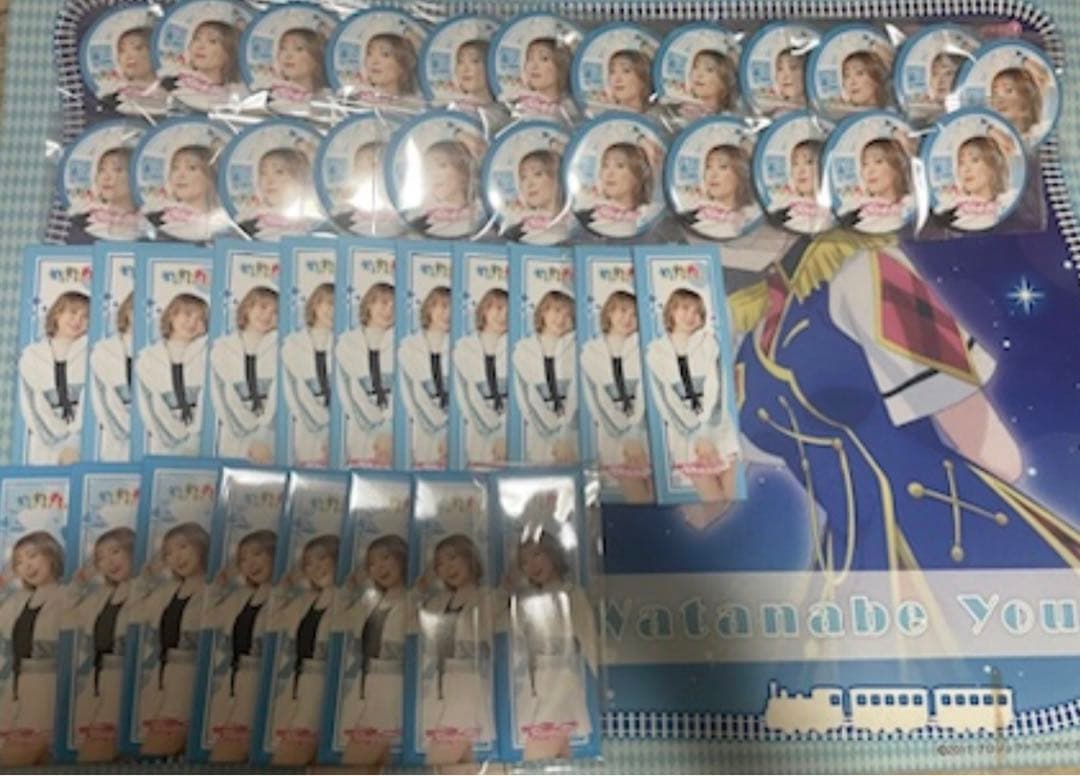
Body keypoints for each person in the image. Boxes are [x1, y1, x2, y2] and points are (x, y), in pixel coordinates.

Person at [724, 226, 1080, 580]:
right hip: (856, 561)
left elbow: (990, 448)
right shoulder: (746, 339)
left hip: (946, 539)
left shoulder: (868, 270)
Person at [645, 287, 740, 503]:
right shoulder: (655, 353)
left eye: (697, 312)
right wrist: (696, 435)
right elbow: (666, 401)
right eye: (685, 308)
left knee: (733, 499)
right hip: (686, 438)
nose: (691, 315)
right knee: (713, 501)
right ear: (671, 311)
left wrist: (708, 431)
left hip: (719, 428)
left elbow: (718, 389)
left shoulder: (709, 344)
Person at [509, 530, 597, 761]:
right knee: (554, 750)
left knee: (545, 746)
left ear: (552, 554)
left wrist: (596, 685)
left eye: (537, 555)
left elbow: (590, 643)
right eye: (524, 562)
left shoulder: (572, 595)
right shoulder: (523, 602)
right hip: (533, 686)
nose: (532, 565)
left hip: (562, 684)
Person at [130, 521, 210, 758]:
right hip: (164, 677)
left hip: (191, 680)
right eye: (168, 553)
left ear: (201, 546)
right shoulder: (168, 591)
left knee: (160, 747)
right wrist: (146, 577)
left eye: (183, 547)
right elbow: (136, 613)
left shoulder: (213, 591)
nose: (177, 557)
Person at [419, 533, 494, 765]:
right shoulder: (436, 603)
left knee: (443, 757)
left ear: (470, 558)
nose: (448, 568)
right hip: (441, 689)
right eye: (440, 564)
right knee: (461, 763)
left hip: (471, 688)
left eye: (453, 558)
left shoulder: (490, 598)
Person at [203, 529, 276, 763]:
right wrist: (219, 584)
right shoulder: (242, 597)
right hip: (238, 682)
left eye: (257, 554)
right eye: (243, 559)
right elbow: (210, 618)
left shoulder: (285, 599)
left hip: (267, 688)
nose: (250, 563)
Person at [337, 534, 409, 767]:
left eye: (385, 558)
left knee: (357, 760)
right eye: (372, 564)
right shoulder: (371, 603)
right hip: (368, 686)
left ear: (402, 558)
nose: (379, 568)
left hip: (393, 689)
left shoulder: (412, 600)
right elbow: (339, 622)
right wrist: (348, 589)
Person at [66, 526, 136, 762]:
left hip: (132, 683)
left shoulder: (146, 594)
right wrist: (78, 584)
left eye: (115, 551)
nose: (109, 562)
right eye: (101, 558)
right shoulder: (102, 596)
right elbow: (69, 618)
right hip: (101, 679)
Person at [270, 534, 338, 767]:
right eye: (308, 564)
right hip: (300, 684)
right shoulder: (306, 601)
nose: (315, 568)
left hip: (326, 688)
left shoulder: (348, 601)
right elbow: (275, 621)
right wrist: (285, 586)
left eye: (322, 558)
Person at [0, 530, 66, 766]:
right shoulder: (18, 601)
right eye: (19, 562)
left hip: (48, 690)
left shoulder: (68, 597)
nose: (27, 566)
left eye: (32, 555)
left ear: (51, 555)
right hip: (18, 688)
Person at [580, 290, 652, 502]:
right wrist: (625, 437)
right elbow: (596, 401)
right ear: (609, 312)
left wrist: (636, 432)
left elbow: (646, 393)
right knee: (634, 491)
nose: (628, 318)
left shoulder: (644, 349)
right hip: (612, 435)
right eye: (622, 311)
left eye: (634, 314)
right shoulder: (590, 353)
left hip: (644, 432)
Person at [18, 290, 90, 465]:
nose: (78, 320)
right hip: (45, 441)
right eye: (73, 312)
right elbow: (32, 403)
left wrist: (74, 439)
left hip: (81, 441)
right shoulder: (32, 356)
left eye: (85, 316)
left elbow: (89, 399)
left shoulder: (91, 354)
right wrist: (59, 438)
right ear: (57, 313)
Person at [209, 285, 278, 463]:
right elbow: (221, 396)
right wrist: (246, 432)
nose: (268, 315)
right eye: (263, 307)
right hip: (235, 434)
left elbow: (279, 394)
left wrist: (263, 432)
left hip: (271, 434)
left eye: (275, 312)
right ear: (247, 307)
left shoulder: (280, 348)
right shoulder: (222, 348)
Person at [135, 292, 209, 456]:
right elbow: (149, 404)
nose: (192, 323)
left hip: (200, 440)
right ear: (171, 316)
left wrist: (195, 435)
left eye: (200, 319)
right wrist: (175, 435)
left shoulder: (207, 354)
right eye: (188, 314)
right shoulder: (148, 358)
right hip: (163, 439)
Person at [512, 289, 578, 464]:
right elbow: (525, 398)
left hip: (573, 435)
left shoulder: (577, 348)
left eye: (568, 315)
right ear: (543, 312)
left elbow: (577, 394)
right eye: (557, 311)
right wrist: (551, 434)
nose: (561, 318)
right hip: (540, 435)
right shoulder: (523, 351)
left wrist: (565, 432)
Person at [335, 282, 395, 468]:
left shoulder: (401, 344)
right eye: (383, 303)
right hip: (359, 426)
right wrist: (370, 419)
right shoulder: (347, 344)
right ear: (369, 304)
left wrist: (388, 421)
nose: (389, 310)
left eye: (394, 306)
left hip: (393, 427)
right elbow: (346, 389)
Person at [453, 287, 509, 469]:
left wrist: (505, 433)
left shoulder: (516, 349)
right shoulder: (464, 349)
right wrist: (492, 430)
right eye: (498, 308)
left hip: (510, 435)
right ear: (484, 310)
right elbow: (465, 396)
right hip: (479, 434)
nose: (504, 315)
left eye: (509, 311)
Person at [280, 282, 334, 467]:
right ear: (315, 305)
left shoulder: (347, 344)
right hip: (307, 427)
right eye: (329, 303)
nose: (334, 311)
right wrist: (317, 421)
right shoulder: (293, 345)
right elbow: (292, 391)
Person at [399, 286, 451, 469]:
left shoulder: (461, 348)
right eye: (442, 306)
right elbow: (411, 395)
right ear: (429, 308)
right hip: (423, 429)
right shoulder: (409, 348)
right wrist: (437, 422)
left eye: (451, 307)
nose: (447, 313)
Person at [575, 142, 656, 238]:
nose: (609, 173)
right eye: (605, 166)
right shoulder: (583, 219)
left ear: (637, 175)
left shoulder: (651, 217)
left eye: (620, 166)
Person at [237, 146, 317, 240]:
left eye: (279, 172)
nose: (269, 181)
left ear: (300, 181)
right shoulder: (249, 217)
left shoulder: (311, 225)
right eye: (263, 173)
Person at [937, 133, 1013, 231]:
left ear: (992, 166)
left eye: (974, 160)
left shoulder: (1005, 204)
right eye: (961, 162)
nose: (966, 169)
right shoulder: (951, 204)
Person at [145, 145, 222, 242]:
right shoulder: (158, 218)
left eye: (191, 168)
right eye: (175, 168)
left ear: (210, 177)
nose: (180, 175)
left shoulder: (224, 221)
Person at [89, 292, 133, 461]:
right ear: (127, 311)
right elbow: (102, 400)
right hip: (117, 439)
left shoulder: (161, 352)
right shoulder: (103, 351)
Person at [409, 139, 482, 238]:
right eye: (427, 168)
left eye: (442, 166)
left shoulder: (483, 218)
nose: (433, 174)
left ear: (464, 172)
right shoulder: (417, 219)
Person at [686, 143, 759, 239]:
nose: (713, 175)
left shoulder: (752, 217)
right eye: (708, 167)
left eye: (723, 167)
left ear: (740, 173)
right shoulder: (694, 217)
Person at [841, 136, 913, 232]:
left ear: (897, 167)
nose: (870, 171)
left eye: (878, 162)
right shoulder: (856, 212)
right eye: (865, 164)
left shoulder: (912, 206)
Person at [68, 147, 140, 242]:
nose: (106, 177)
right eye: (102, 170)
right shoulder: (82, 221)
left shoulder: (149, 225)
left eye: (117, 170)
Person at [502, 147, 568, 244]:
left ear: (556, 178)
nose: (530, 184)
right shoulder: (516, 223)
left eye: (537, 174)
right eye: (523, 177)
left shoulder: (572, 225)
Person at [331, 140, 395, 236]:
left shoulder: (390, 199)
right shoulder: (349, 201)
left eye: (372, 165)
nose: (358, 171)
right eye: (357, 166)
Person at [100, 26, 162, 115]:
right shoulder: (112, 100)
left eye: (137, 48)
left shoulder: (173, 92)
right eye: (122, 51)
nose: (128, 56)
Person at [990, 64, 1047, 141]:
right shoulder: (996, 136)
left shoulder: (1041, 132)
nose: (999, 99)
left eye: (1008, 90)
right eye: (995, 93)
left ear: (1027, 96)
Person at [522, 37, 572, 113]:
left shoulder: (571, 108)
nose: (534, 66)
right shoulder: (520, 105)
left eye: (544, 59)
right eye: (530, 58)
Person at [363, 32, 418, 97]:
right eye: (369, 53)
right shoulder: (359, 94)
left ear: (402, 66)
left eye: (385, 54)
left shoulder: (411, 101)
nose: (374, 61)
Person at [275, 28, 326, 96]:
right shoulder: (272, 95)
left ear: (316, 57)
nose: (288, 55)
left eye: (298, 49)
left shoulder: (328, 97)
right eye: (283, 48)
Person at [687, 48, 737, 115]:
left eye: (709, 69)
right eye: (696, 67)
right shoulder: (685, 108)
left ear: (724, 82)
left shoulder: (728, 116)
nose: (699, 74)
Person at [455, 39, 491, 104]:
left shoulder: (505, 107)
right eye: (460, 61)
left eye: (474, 61)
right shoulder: (452, 108)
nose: (465, 69)